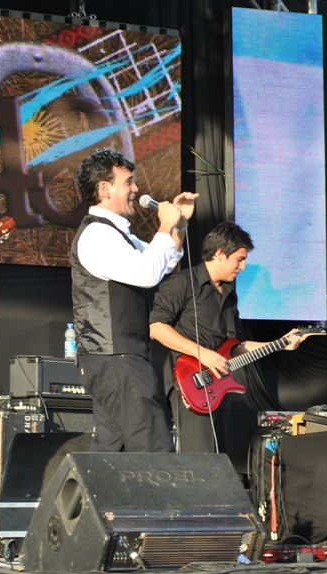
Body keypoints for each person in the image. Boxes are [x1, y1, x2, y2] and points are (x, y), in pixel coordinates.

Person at [70, 147, 199, 452]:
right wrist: (164, 225)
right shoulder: (97, 235)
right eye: (128, 182)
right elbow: (148, 273)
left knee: (113, 452)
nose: (136, 189)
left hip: (119, 360)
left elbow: (164, 262)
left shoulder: (118, 235)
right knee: (151, 447)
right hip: (115, 359)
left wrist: (178, 224)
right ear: (105, 189)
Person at [149, 221, 302, 454]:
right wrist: (203, 354)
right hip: (190, 381)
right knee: (201, 458)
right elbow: (157, 328)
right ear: (220, 254)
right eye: (239, 259)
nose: (243, 266)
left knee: (221, 457)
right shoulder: (182, 283)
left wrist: (280, 345)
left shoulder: (230, 294)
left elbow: (236, 346)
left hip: (219, 385)